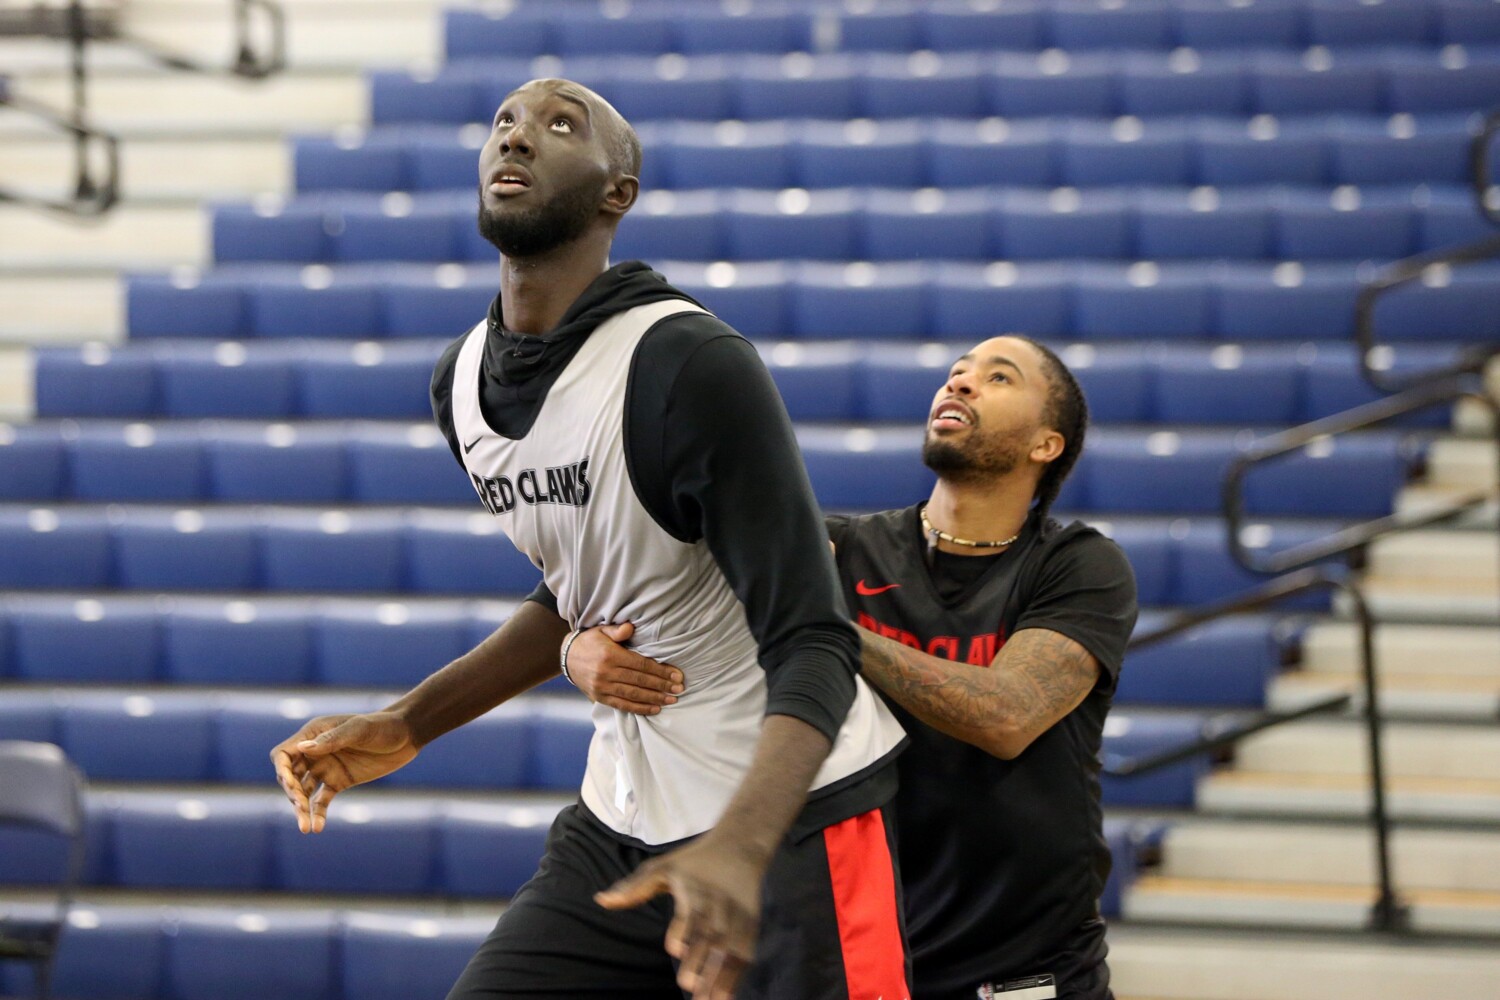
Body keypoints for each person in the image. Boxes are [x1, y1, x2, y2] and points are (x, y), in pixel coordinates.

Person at [270, 78, 909, 1000]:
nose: (518, 138)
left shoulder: (689, 364)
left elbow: (815, 637)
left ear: (620, 192)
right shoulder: (459, 386)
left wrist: (740, 846)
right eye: (504, 123)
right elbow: (590, 579)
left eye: (559, 126)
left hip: (787, 821)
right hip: (623, 816)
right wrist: (409, 722)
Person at [567, 335, 1139, 1000]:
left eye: (998, 377)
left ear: (1047, 443)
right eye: (955, 373)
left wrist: (822, 628)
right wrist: (575, 649)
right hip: (862, 956)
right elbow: (639, 571)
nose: (959, 384)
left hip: (1024, 972)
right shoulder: (842, 547)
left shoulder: (1079, 565)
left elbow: (1006, 714)